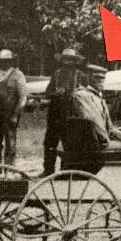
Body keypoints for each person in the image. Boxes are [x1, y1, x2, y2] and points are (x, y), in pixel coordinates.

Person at [69, 64, 121, 151]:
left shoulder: (100, 99)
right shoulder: (81, 96)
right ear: (89, 78)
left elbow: (111, 129)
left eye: (103, 78)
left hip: (99, 142)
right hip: (90, 145)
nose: (101, 81)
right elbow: (90, 122)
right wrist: (104, 141)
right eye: (97, 77)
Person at [42, 47, 84, 176]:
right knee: (49, 144)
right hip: (55, 115)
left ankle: (66, 171)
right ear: (62, 60)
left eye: (70, 59)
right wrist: (56, 93)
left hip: (72, 115)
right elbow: (47, 94)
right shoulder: (56, 74)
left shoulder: (79, 75)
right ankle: (48, 171)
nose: (67, 62)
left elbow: (85, 94)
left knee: (69, 145)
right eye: (65, 59)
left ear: (74, 61)